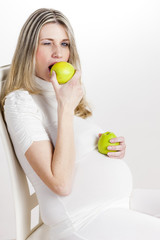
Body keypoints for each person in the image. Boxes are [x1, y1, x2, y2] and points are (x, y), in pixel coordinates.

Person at [1, 8, 160, 240]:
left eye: (64, 44)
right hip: (84, 217)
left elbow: (74, 149)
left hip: (119, 201)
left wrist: (105, 148)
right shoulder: (21, 103)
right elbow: (60, 184)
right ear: (29, 50)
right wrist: (65, 107)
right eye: (47, 43)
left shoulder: (57, 91)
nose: (58, 53)